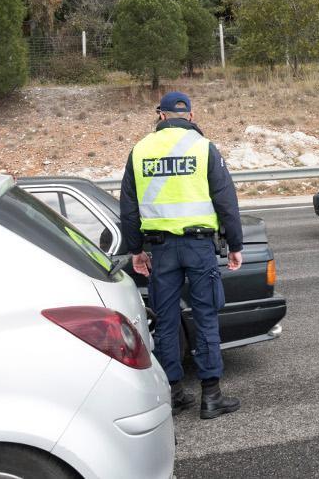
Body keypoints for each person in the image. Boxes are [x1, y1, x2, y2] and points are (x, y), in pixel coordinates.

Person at [119, 91, 244, 420]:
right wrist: (235, 244)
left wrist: (135, 250)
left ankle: (173, 393)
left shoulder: (139, 150)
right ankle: (211, 397)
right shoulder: (204, 148)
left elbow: (129, 209)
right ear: (190, 115)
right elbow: (226, 201)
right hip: (199, 247)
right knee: (205, 317)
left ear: (160, 115)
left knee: (166, 321)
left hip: (160, 250)